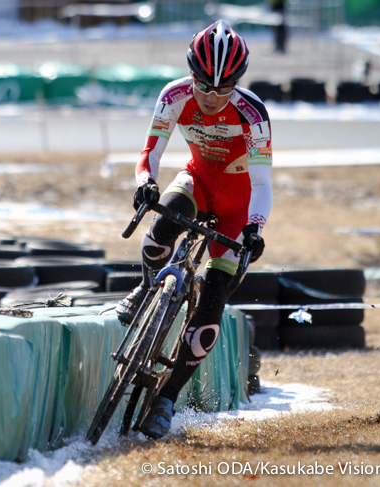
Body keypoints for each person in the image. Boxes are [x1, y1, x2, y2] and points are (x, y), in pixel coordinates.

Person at [115, 20, 273, 439]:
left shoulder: (252, 113)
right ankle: (149, 287)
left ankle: (166, 399)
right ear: (191, 74)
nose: (211, 97)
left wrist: (254, 229)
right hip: (199, 182)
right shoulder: (174, 95)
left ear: (237, 83)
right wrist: (145, 183)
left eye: (223, 89)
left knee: (213, 301)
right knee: (158, 231)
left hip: (239, 203)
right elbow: (150, 153)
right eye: (204, 85)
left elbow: (261, 185)